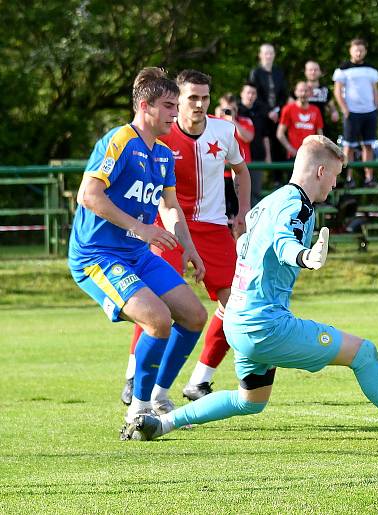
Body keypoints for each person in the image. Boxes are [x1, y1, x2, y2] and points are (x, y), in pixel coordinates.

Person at [121, 135, 378, 442]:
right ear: (321, 172)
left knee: (250, 402)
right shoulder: (297, 205)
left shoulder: (266, 204)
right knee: (363, 353)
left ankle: (162, 423)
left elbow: (244, 245)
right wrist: (304, 256)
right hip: (265, 325)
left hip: (238, 322)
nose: (333, 186)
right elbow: (282, 241)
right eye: (334, 177)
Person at [68, 67, 207, 429]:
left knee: (194, 316)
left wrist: (188, 247)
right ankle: (137, 410)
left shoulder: (162, 153)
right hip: (97, 255)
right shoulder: (119, 141)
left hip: (136, 254)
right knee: (158, 319)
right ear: (144, 106)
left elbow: (170, 206)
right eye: (168, 106)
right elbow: (88, 195)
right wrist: (141, 229)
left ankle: (159, 397)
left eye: (176, 106)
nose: (175, 113)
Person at [121, 69, 252, 409]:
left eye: (204, 98)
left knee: (237, 305)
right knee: (157, 301)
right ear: (177, 101)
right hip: (169, 228)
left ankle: (200, 379)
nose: (198, 104)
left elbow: (241, 171)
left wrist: (243, 213)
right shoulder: (159, 135)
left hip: (213, 229)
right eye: (192, 98)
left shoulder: (224, 131)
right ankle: (134, 375)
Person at [333, 38, 378, 188]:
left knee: (368, 146)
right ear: (350, 51)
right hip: (352, 113)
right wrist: (345, 109)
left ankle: (369, 178)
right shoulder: (343, 69)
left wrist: (376, 108)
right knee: (349, 147)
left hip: (369, 112)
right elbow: (337, 91)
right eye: (356, 49)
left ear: (365, 51)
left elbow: (375, 90)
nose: (358, 52)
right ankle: (349, 178)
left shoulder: (371, 69)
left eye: (361, 49)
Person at [215, 92, 254, 228]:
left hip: (240, 172)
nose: (227, 112)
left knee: (241, 210)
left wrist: (233, 121)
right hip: (220, 173)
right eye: (225, 109)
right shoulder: (215, 123)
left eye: (231, 109)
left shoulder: (245, 122)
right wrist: (219, 117)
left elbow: (248, 137)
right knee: (222, 211)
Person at [249, 43, 289, 172]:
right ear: (260, 55)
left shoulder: (279, 72)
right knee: (263, 145)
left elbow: (284, 94)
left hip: (278, 114)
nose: (269, 56)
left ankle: (279, 178)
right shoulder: (256, 73)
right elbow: (255, 95)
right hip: (261, 114)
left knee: (279, 144)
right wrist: (268, 112)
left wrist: (277, 110)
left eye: (271, 53)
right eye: (266, 53)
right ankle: (261, 178)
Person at [238, 82, 270, 204]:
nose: (250, 96)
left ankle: (254, 222)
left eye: (253, 93)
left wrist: (268, 156)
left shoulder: (261, 111)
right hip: (239, 158)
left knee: (256, 192)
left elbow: (265, 136)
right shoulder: (235, 110)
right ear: (242, 94)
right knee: (239, 193)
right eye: (248, 92)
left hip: (257, 157)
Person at [277, 81, 324, 159]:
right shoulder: (288, 109)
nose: (303, 94)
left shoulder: (316, 110)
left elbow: (320, 134)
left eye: (306, 91)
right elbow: (280, 133)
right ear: (295, 92)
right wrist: (290, 149)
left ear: (310, 93)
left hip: (311, 155)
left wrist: (319, 150)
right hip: (294, 156)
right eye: (301, 91)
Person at [304, 60, 340, 139]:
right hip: (302, 127)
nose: (313, 72)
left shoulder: (325, 90)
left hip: (320, 128)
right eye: (310, 70)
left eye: (316, 70)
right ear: (305, 72)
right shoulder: (300, 89)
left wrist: (334, 112)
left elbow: (331, 106)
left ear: (320, 72)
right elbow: (290, 107)